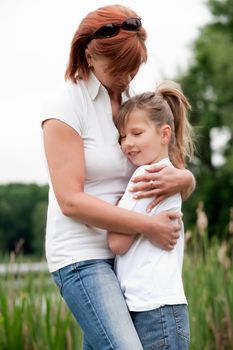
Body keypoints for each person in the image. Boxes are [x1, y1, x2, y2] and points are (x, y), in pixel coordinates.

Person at [41, 4, 195, 350]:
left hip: (129, 260)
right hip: (83, 256)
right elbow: (71, 201)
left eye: (133, 68)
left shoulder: (132, 103)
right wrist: (148, 226)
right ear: (89, 56)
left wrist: (186, 181)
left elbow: (168, 163)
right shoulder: (66, 105)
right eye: (118, 68)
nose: (126, 77)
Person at [108, 81, 194, 350]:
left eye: (136, 133)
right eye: (122, 136)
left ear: (164, 134)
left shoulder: (146, 176)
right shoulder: (170, 173)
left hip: (152, 309)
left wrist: (115, 209)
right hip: (164, 307)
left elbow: (117, 243)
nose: (127, 143)